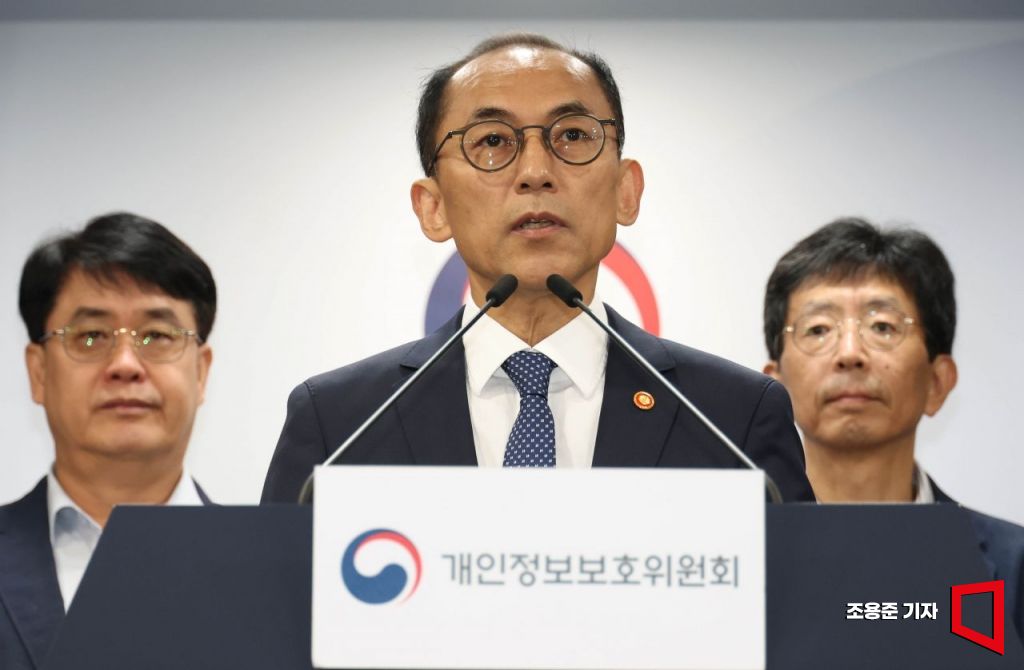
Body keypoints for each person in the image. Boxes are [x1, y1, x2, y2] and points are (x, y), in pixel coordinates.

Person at [261, 33, 814, 503]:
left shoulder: (732, 417)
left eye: (572, 135)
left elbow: (799, 595)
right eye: (492, 141)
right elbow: (275, 598)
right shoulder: (340, 422)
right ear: (433, 207)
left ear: (626, 192)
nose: (535, 171)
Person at [762, 216, 1023, 640]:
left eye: (882, 327)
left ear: (937, 383)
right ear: (775, 389)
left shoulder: (1013, 567)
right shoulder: (734, 561)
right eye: (818, 329)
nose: (850, 354)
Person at [0, 212, 216, 670]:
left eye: (156, 336)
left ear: (201, 372)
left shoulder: (285, 573)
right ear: (38, 372)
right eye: (91, 336)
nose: (124, 365)